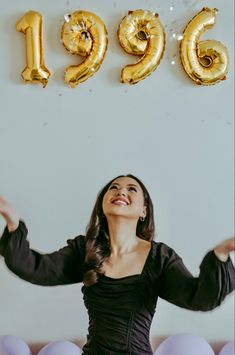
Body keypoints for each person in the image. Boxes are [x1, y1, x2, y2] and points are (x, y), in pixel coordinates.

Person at [0, 174, 235, 355]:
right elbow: (36, 268)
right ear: (103, 204)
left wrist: (221, 254)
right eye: (114, 187)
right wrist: (12, 222)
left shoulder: (159, 258)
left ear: (143, 211)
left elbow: (198, 297)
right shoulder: (84, 250)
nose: (120, 190)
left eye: (131, 188)